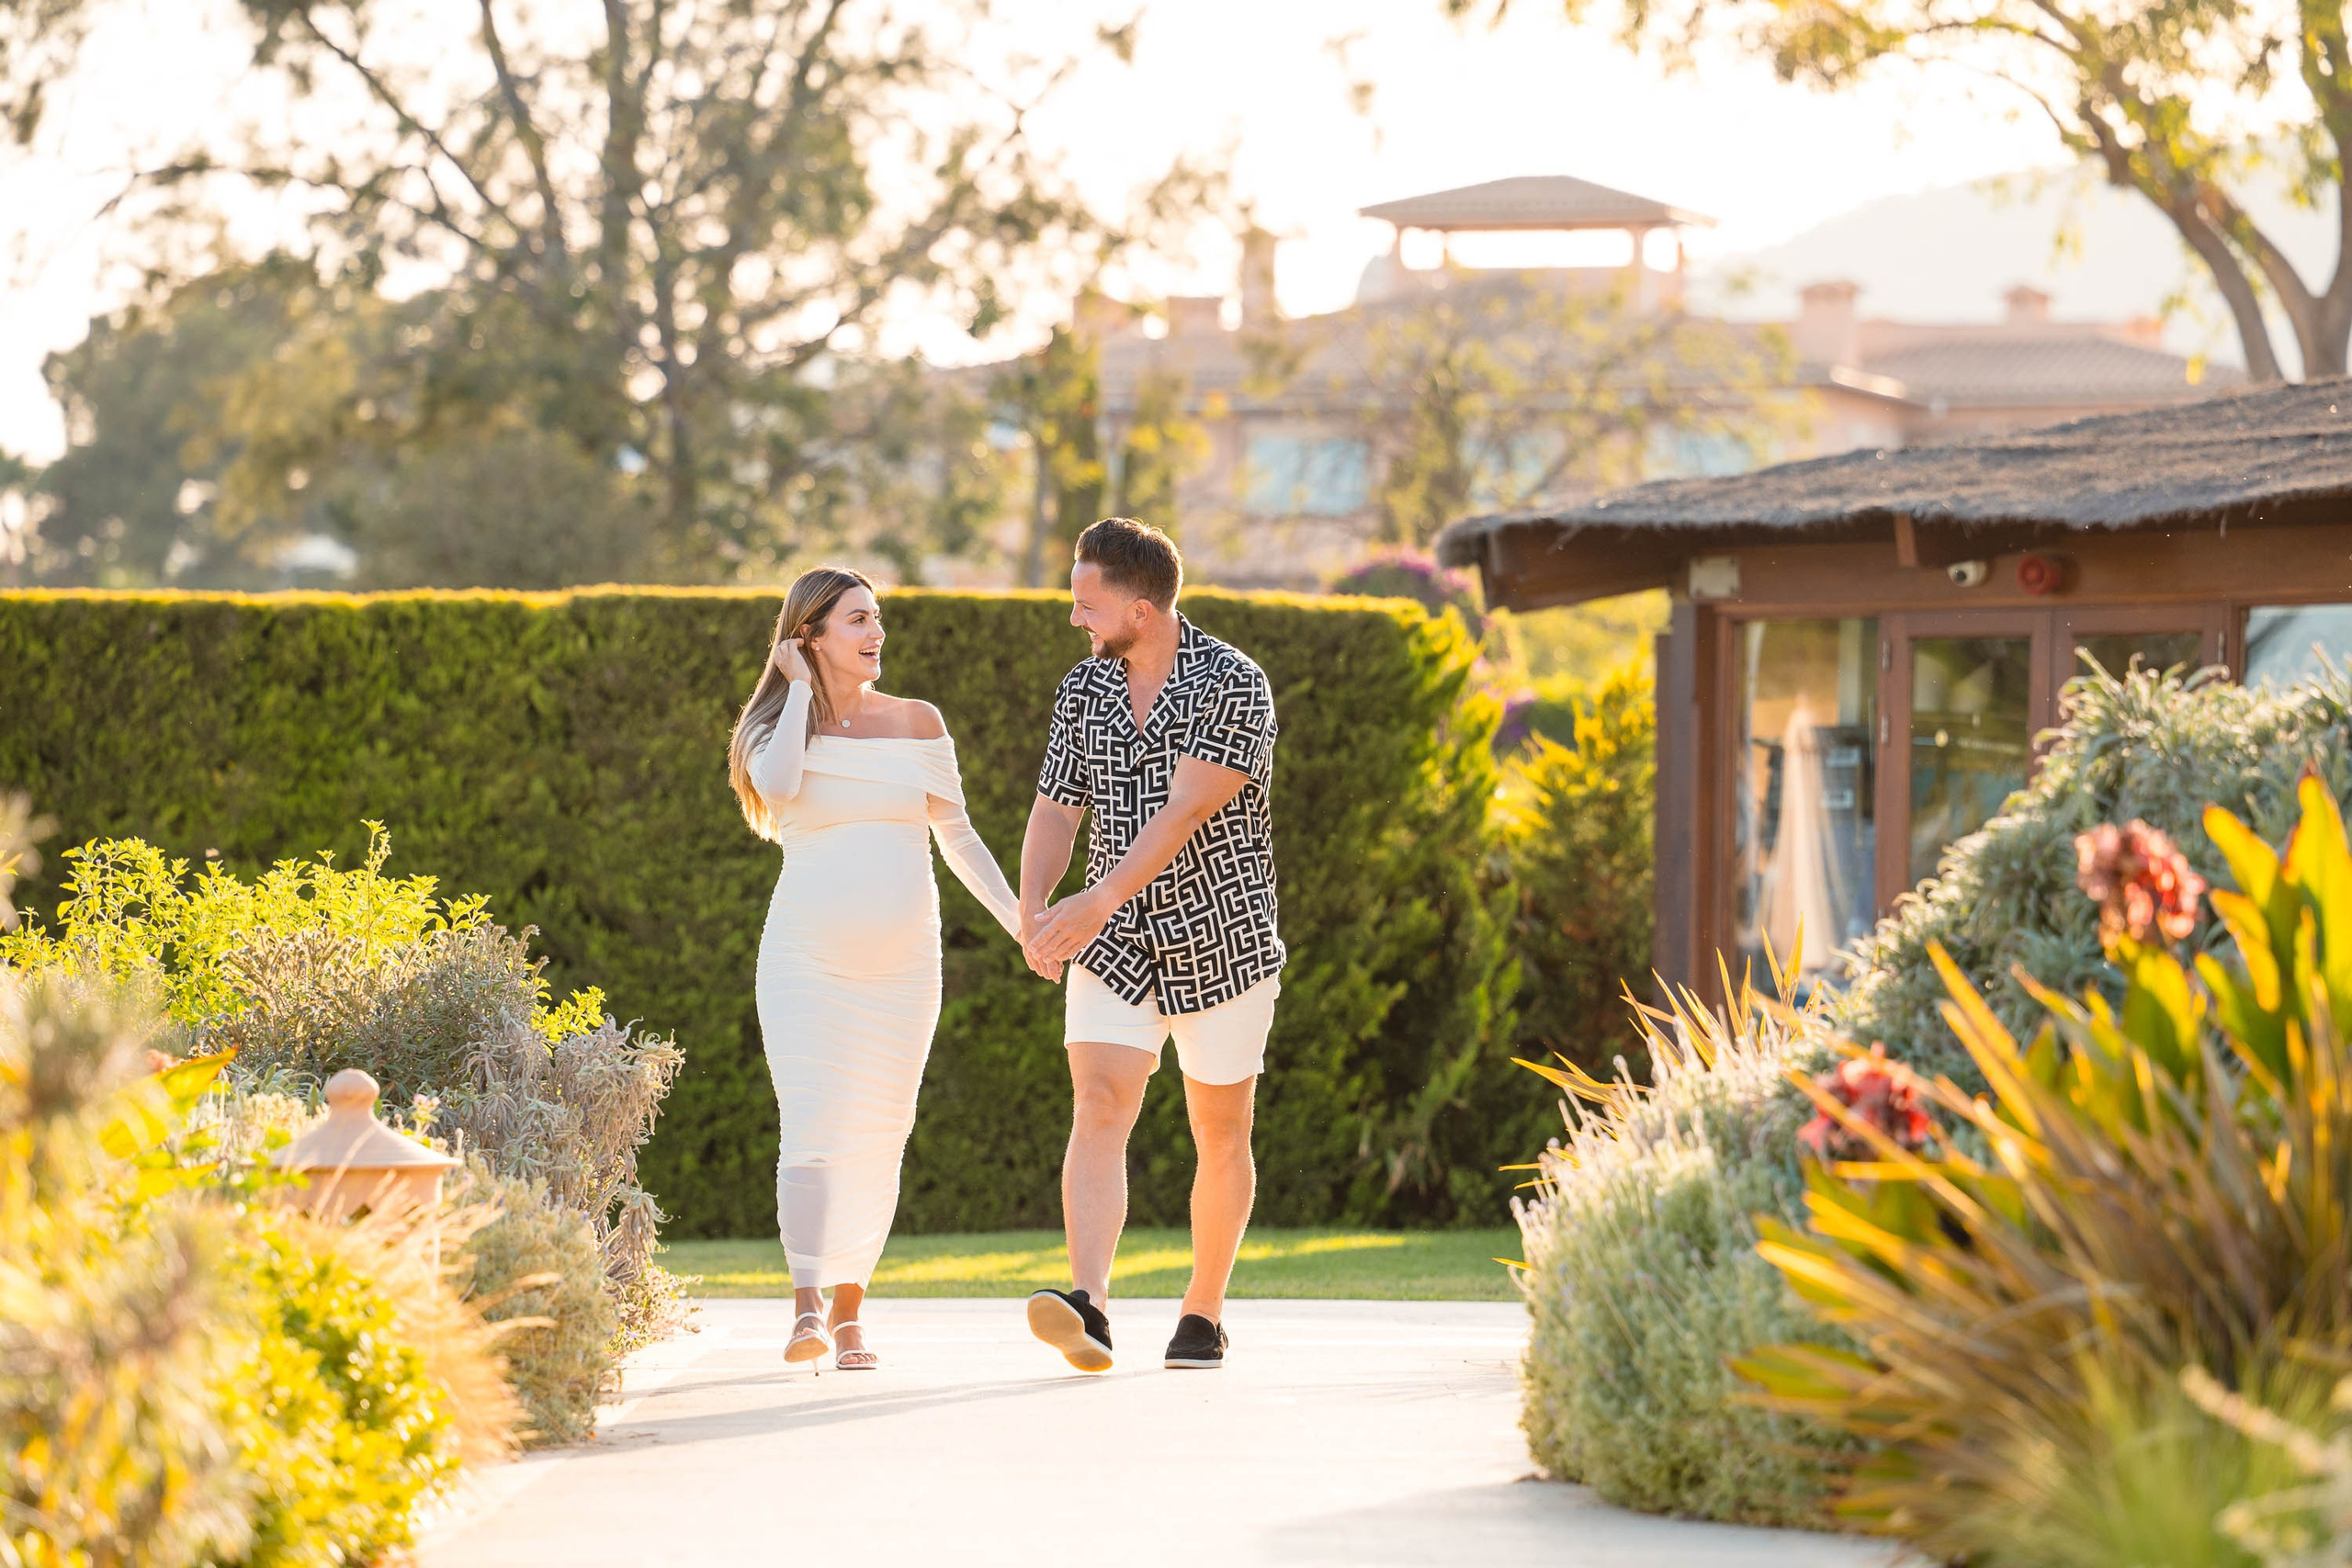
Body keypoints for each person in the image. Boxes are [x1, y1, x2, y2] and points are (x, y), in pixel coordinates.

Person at [728, 566, 1023, 1371]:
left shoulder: (920, 722)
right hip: (806, 963)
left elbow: (958, 838)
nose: (875, 633)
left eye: (878, 618)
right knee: (813, 1129)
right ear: (809, 636)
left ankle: (853, 1311)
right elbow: (781, 786)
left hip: (903, 969)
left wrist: (1023, 925)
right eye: (857, 619)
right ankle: (807, 1306)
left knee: (880, 1135)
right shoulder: (770, 730)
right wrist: (793, 690)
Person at [1020, 517, 1285, 1373]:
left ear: (1141, 607)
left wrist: (1091, 900)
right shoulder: (1083, 690)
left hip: (1226, 936)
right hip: (1117, 944)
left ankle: (1203, 1311)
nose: (1075, 619)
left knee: (1220, 1125)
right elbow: (1059, 809)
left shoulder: (1235, 683)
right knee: (1098, 1101)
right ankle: (1089, 1305)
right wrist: (1036, 909)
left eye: (1086, 603)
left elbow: (1183, 812)